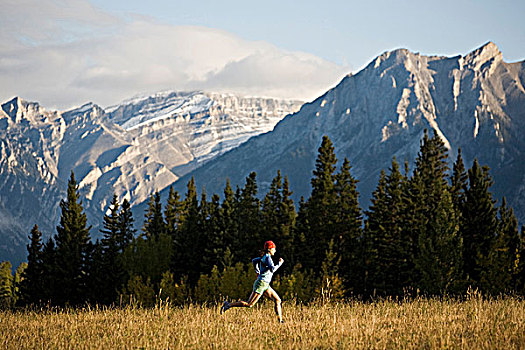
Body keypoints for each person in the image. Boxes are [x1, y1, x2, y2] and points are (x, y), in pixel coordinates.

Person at [220, 240, 284, 322]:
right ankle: (228, 305)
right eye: (274, 249)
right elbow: (272, 269)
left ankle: (280, 321)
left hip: (265, 284)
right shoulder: (267, 258)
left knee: (278, 300)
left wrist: (257, 271)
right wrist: (280, 263)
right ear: (269, 249)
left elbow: (254, 261)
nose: (275, 250)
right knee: (249, 304)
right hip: (261, 284)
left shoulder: (264, 257)